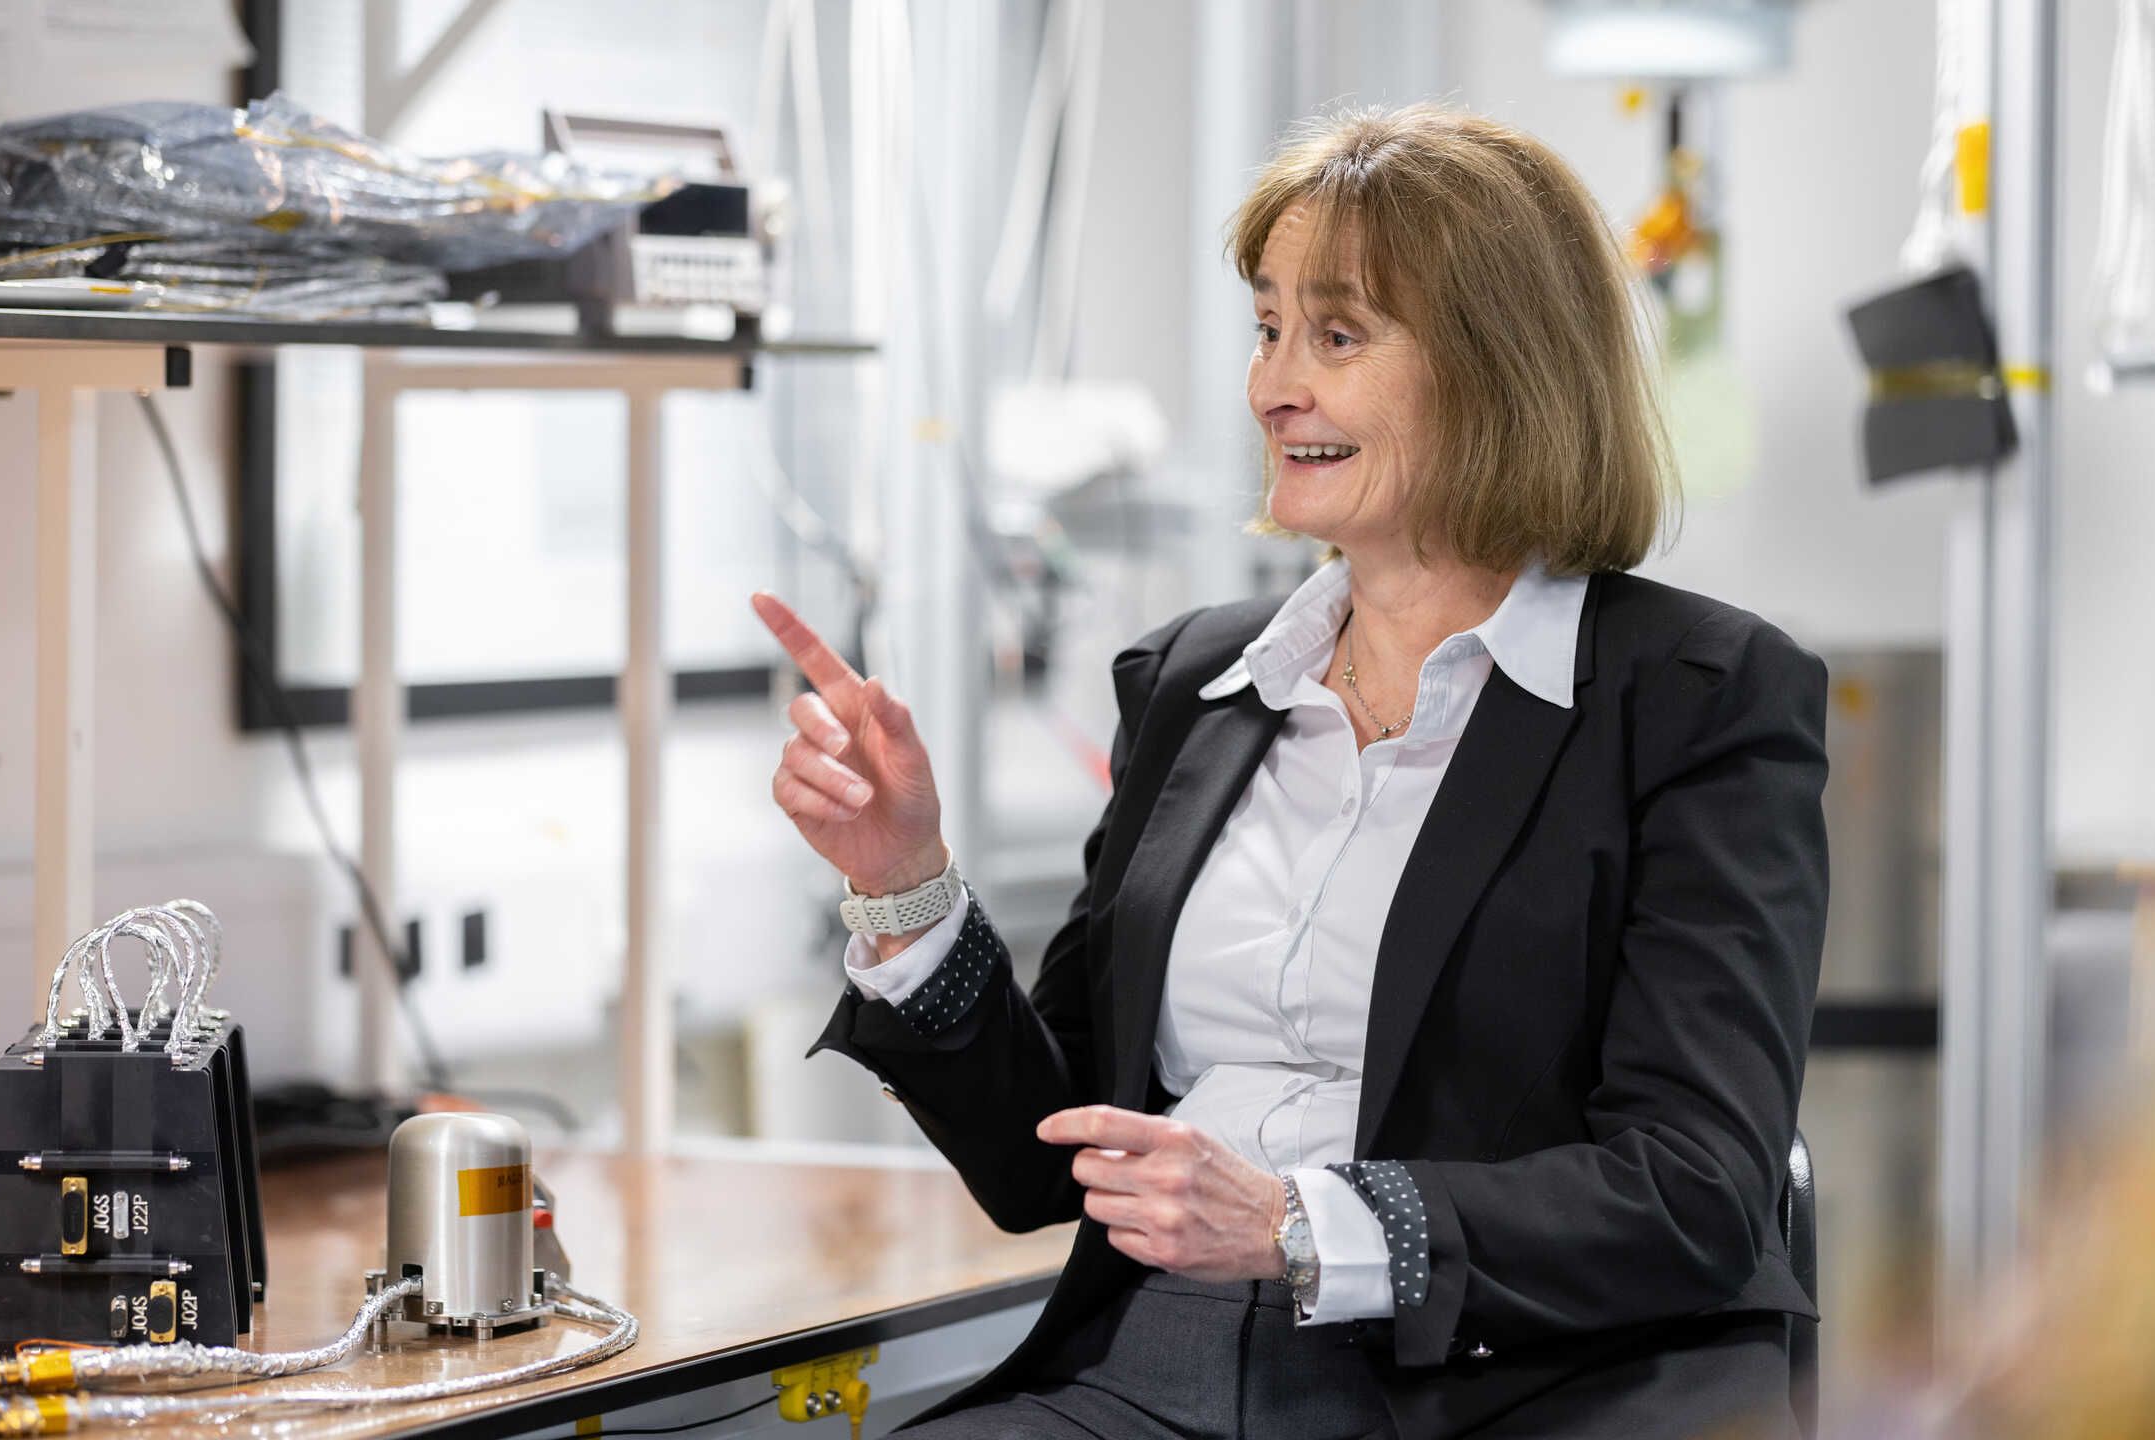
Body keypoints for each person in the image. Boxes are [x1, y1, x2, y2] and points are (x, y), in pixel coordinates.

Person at [753, 104, 1829, 1439]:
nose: (1275, 387)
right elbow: (1050, 1157)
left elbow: (1697, 1189)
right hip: (1153, 1373)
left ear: (1502, 367)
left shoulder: (1697, 701)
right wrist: (907, 887)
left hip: (1518, 1391)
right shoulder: (1196, 686)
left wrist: (1304, 1226)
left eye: (1338, 334)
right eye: (1268, 328)